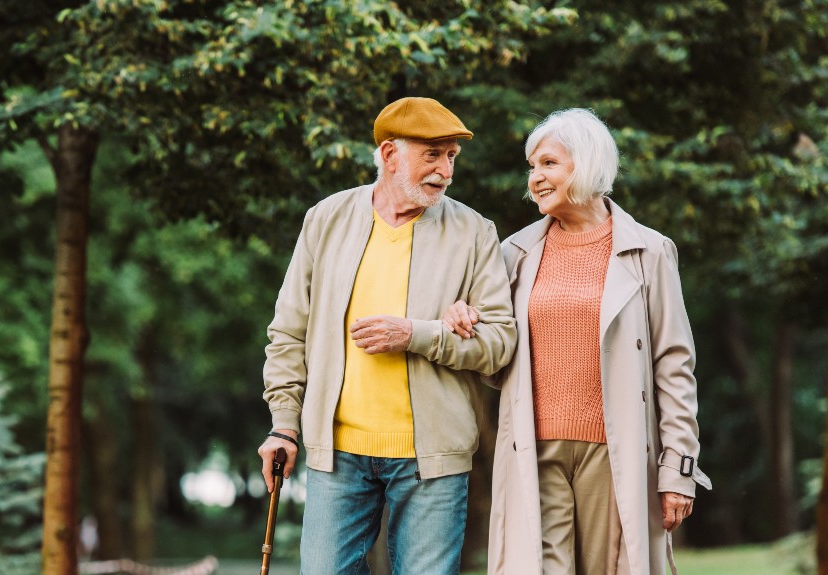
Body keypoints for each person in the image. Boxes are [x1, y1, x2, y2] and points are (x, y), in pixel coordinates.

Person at [442, 108, 712, 574]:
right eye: (532, 167)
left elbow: (674, 365)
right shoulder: (512, 254)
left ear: (586, 164)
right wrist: (461, 317)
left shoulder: (650, 251)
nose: (535, 178)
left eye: (548, 164)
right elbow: (491, 356)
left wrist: (678, 469)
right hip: (533, 448)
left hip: (616, 451)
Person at [257, 96, 518, 574]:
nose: (446, 171)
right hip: (335, 454)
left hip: (432, 462)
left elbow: (500, 344)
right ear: (390, 154)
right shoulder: (326, 219)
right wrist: (284, 424)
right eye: (432, 155)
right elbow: (288, 332)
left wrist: (419, 334)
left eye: (451, 157)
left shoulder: (475, 233)